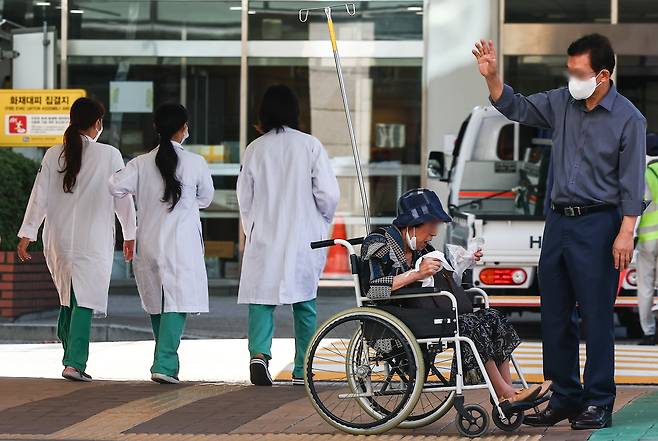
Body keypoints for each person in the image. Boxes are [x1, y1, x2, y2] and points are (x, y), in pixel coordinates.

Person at [473, 34, 646, 429]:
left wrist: (626, 231)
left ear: (602, 75)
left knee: (597, 315)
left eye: (579, 72)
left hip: (600, 224)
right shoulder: (561, 103)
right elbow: (515, 106)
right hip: (557, 222)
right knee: (554, 313)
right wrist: (493, 77)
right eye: (569, 70)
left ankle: (599, 401)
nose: (571, 78)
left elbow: (632, 180)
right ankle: (566, 397)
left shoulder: (629, 119)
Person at [361, 188, 550, 408]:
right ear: (412, 225)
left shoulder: (424, 250)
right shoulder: (378, 242)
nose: (431, 238)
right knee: (468, 325)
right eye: (429, 232)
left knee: (492, 317)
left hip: (423, 311)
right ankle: (505, 393)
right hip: (396, 316)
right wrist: (416, 274)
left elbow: (442, 285)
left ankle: (509, 391)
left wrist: (463, 263)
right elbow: (372, 290)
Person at [17, 97, 136, 382]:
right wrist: (130, 234)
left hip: (57, 238)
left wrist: (27, 234)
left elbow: (39, 198)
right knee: (83, 299)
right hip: (91, 240)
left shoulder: (53, 154)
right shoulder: (109, 154)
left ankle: (69, 353)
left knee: (67, 297)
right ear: (97, 123)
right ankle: (74, 362)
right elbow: (123, 199)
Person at [237, 84, 340, 386]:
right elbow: (328, 194)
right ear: (295, 112)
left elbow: (245, 197)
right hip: (303, 234)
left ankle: (259, 355)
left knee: (261, 299)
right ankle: (302, 366)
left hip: (265, 232)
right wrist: (321, 218)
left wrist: (251, 229)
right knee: (305, 300)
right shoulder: (310, 145)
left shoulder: (255, 148)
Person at [109, 103, 214, 384]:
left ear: (157, 129)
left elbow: (114, 186)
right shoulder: (195, 163)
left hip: (150, 241)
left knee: (158, 302)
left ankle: (164, 360)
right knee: (176, 303)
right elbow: (206, 199)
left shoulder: (141, 163)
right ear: (183, 129)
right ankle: (165, 363)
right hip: (181, 244)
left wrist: (140, 196)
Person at [636, 133, 658, 345]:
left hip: (648, 237)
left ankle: (649, 332)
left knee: (645, 286)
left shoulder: (643, 174)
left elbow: (638, 207)